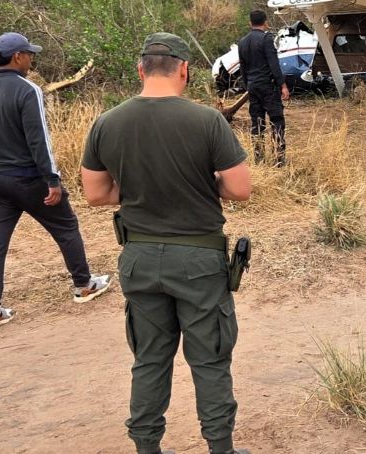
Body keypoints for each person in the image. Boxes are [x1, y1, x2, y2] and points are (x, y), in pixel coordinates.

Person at [80, 33, 252, 454]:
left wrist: (139, 188)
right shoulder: (207, 121)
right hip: (199, 259)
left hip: (139, 258)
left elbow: (95, 194)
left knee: (150, 359)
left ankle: (147, 447)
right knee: (210, 359)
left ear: (141, 70)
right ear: (184, 70)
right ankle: (221, 448)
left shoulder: (107, 122)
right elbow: (239, 188)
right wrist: (200, 184)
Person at [0, 32, 111, 329]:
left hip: (0, 181)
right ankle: (84, 285)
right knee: (66, 227)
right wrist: (52, 180)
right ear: (18, 56)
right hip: (30, 179)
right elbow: (39, 140)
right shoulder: (27, 90)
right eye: (29, 54)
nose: (31, 60)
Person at [237, 9, 290, 165]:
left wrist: (248, 85)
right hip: (268, 86)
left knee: (257, 123)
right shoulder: (267, 39)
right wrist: (282, 85)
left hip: (252, 86)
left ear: (250, 23)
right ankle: (279, 158)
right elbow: (274, 64)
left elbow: (242, 68)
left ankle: (259, 158)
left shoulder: (242, 42)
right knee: (277, 120)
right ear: (265, 22)